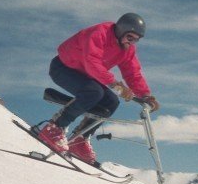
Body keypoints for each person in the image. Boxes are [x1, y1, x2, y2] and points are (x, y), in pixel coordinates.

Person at [39, 13, 160, 164]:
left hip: (85, 75)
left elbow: (132, 73)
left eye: (136, 40)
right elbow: (92, 62)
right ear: (121, 30)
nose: (131, 42)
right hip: (63, 67)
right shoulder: (100, 33)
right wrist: (116, 84)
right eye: (130, 37)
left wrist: (146, 95)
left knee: (111, 101)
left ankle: (80, 140)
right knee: (94, 92)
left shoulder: (127, 50)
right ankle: (54, 128)